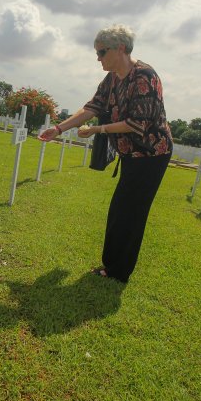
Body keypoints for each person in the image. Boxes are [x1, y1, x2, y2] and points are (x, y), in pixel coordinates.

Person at [39, 24, 172, 282]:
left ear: (120, 48)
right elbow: (91, 107)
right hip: (131, 156)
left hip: (151, 155)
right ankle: (113, 267)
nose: (98, 58)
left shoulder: (144, 76)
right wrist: (58, 128)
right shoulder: (111, 79)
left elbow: (137, 124)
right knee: (121, 210)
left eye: (101, 52)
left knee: (130, 212)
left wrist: (98, 129)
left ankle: (117, 271)